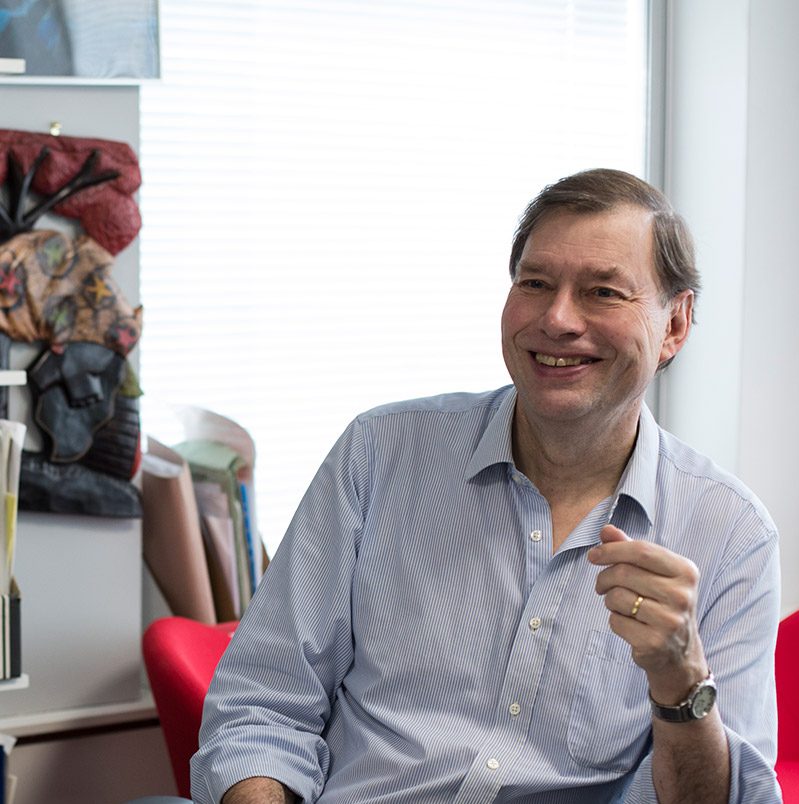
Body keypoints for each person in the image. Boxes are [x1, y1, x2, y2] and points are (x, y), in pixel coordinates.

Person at [190, 169, 782, 804]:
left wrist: (681, 681)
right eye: (535, 283)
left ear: (675, 324)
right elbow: (262, 707)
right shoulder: (379, 453)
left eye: (603, 292)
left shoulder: (730, 533)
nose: (556, 319)